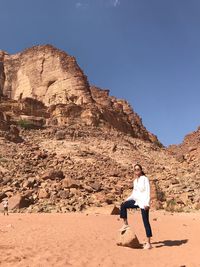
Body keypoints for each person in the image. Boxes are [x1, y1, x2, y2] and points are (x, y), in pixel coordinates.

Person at [119, 164, 153, 249]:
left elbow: (148, 192)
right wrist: (126, 200)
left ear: (141, 170)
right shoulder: (135, 181)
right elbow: (134, 194)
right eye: (135, 169)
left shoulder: (145, 179)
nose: (137, 171)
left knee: (145, 221)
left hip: (143, 203)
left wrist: (147, 203)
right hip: (136, 201)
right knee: (123, 205)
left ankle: (149, 243)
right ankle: (125, 224)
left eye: (138, 169)